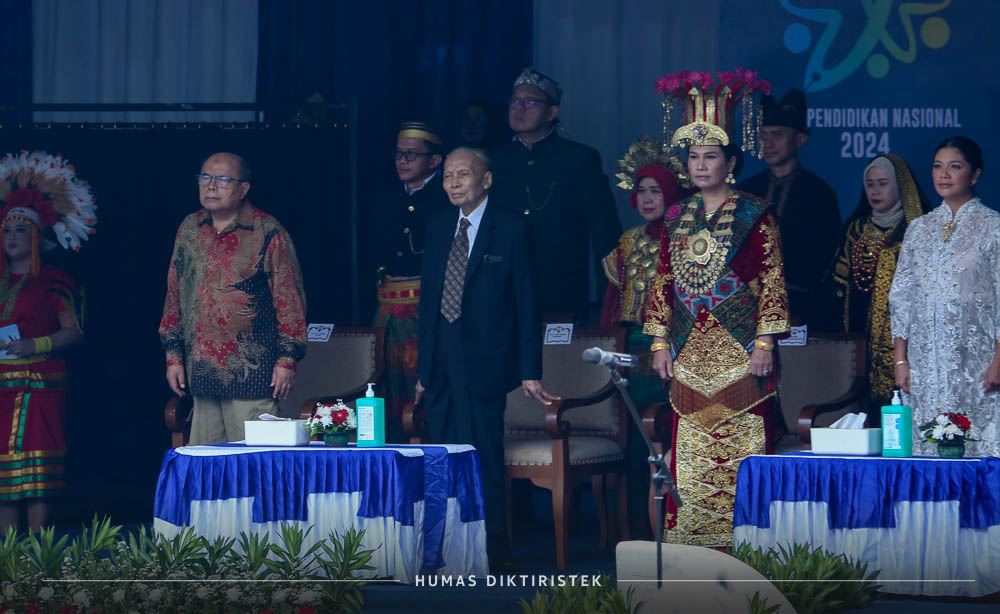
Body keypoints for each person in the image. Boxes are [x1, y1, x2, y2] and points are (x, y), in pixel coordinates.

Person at [645, 69, 788, 548]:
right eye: (693, 156)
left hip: (743, 353)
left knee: (745, 453)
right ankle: (691, 556)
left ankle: (747, 551)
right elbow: (662, 281)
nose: (700, 165)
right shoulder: (675, 217)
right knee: (688, 454)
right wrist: (659, 343)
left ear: (731, 163)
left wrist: (765, 342)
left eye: (710, 156)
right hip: (688, 355)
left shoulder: (756, 213)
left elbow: (772, 280)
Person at [414, 147, 558, 568]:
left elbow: (527, 303)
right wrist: (423, 370)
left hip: (485, 362)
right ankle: (443, 548)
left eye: (463, 175)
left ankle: (492, 549)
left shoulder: (511, 228)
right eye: (447, 176)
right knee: (440, 456)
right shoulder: (438, 226)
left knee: (482, 454)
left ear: (486, 180)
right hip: (440, 362)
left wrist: (530, 370)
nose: (454, 183)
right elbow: (428, 303)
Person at [159, 153, 307, 445]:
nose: (211, 185)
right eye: (205, 177)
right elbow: (174, 293)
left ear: (244, 188)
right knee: (206, 462)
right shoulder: (190, 228)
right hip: (201, 372)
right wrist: (173, 356)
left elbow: (289, 301)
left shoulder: (267, 230)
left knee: (251, 460)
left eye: (223, 179)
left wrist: (287, 359)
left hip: (251, 374)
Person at [0, 151, 94, 532]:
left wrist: (34, 345)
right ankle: (8, 554)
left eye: (20, 230)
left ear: (37, 236)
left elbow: (74, 331)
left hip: (39, 385)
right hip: (2, 387)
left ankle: (40, 551)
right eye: (7, 230)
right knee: (5, 476)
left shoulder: (53, 279)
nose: (11, 237)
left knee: (35, 471)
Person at [890, 136, 1000, 456]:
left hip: (976, 363)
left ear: (975, 174)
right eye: (938, 166)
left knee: (978, 450)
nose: (944, 174)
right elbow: (902, 296)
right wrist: (901, 360)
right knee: (927, 449)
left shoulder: (993, 227)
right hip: (924, 364)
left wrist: (998, 361)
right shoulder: (919, 229)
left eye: (955, 166)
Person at [601, 137, 690, 529]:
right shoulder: (629, 241)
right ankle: (635, 525)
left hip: (673, 353)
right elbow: (612, 304)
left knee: (667, 435)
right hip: (630, 354)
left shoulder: (688, 239)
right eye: (642, 191)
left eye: (656, 190)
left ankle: (673, 520)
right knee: (634, 436)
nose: (648, 198)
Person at [491, 66, 622, 323]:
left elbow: (604, 233)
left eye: (530, 101)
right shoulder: (495, 160)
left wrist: (609, 302)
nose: (519, 108)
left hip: (561, 290)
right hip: (505, 288)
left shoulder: (579, 158)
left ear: (551, 112)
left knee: (559, 349)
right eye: (515, 101)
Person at [369, 122, 451, 441]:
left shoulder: (445, 198)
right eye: (399, 154)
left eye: (412, 155)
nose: (402, 161)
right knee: (387, 382)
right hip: (388, 304)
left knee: (424, 379)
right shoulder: (386, 197)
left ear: (434, 160)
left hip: (424, 307)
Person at [830, 154, 929, 411]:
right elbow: (837, 287)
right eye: (870, 184)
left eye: (883, 183)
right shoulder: (855, 230)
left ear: (900, 186)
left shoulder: (916, 231)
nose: (875, 191)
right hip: (857, 333)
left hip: (901, 336)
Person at [738, 89, 840, 328]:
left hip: (805, 309)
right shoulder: (747, 191)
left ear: (800, 139)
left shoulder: (820, 194)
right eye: (764, 135)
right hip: (749, 308)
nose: (768, 143)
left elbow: (829, 259)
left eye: (777, 135)